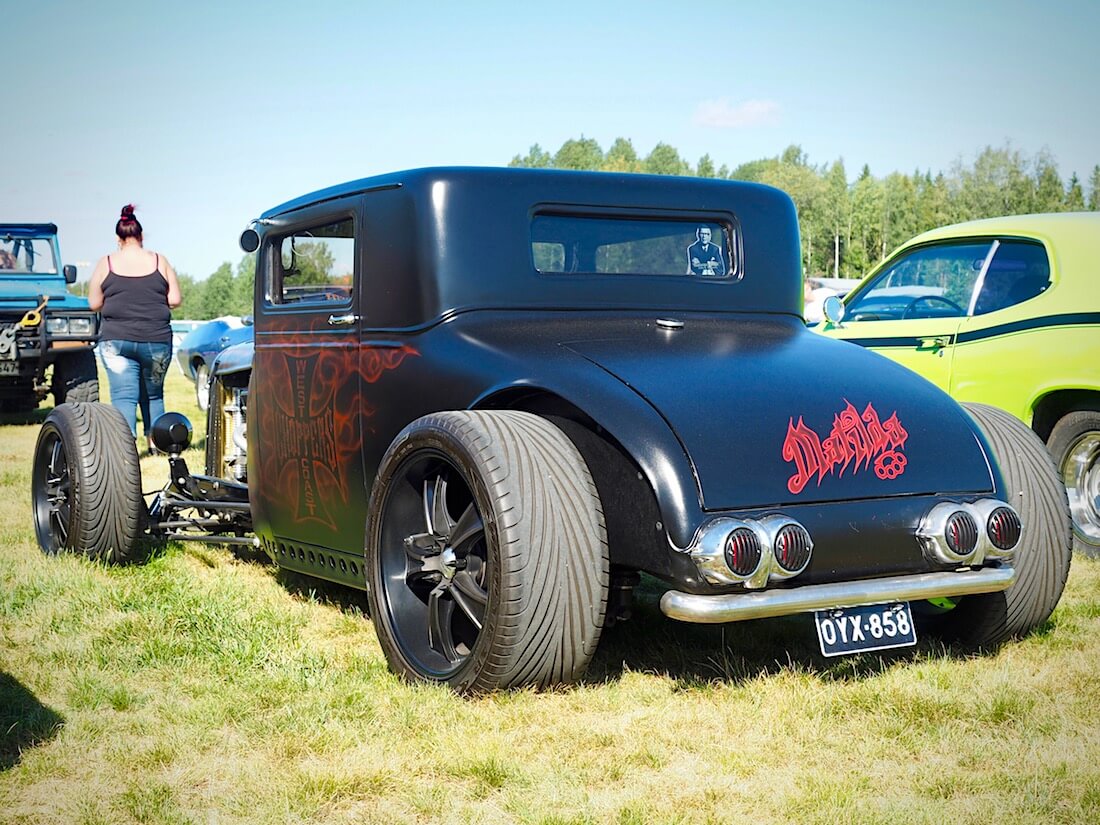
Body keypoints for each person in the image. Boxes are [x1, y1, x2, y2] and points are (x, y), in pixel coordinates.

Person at [88, 204, 182, 447]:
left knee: (123, 396)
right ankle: (159, 444)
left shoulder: (106, 262)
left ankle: (125, 448)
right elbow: (175, 300)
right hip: (156, 339)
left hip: (116, 340)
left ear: (118, 239)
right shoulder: (160, 261)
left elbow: (94, 303)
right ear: (140, 236)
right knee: (153, 394)